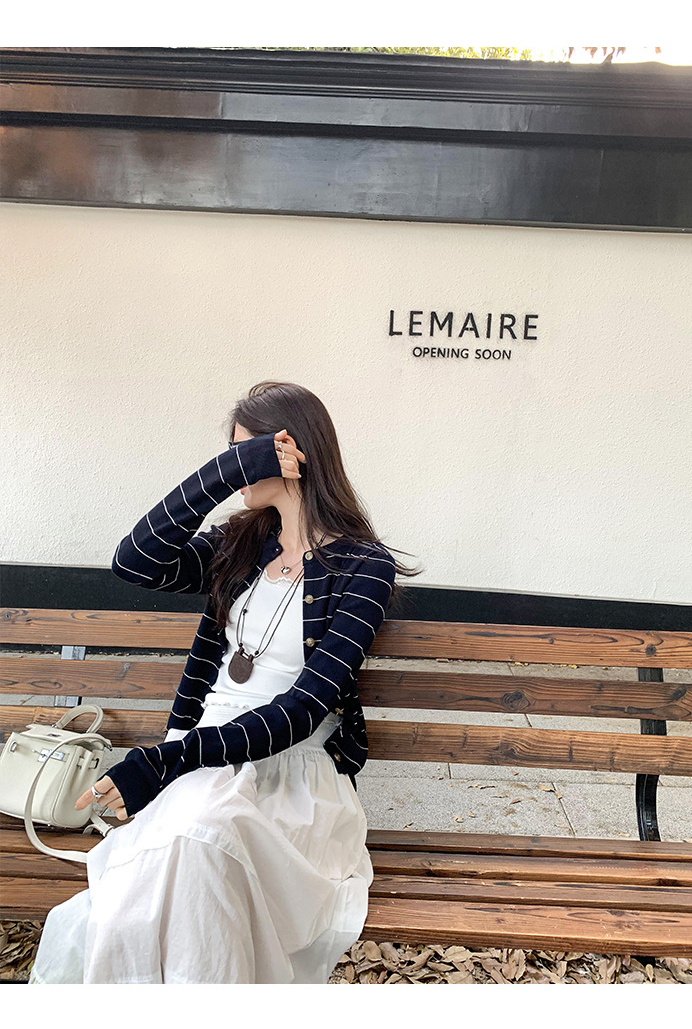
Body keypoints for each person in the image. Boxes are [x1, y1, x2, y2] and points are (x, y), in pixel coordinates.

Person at [28, 380, 418, 984]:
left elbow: (304, 708)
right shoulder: (237, 544)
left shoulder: (364, 566)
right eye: (232, 456)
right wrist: (225, 472)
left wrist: (165, 762)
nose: (236, 469)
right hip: (199, 763)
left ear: (294, 451)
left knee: (199, 842)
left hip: (290, 776)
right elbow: (134, 560)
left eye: (244, 453)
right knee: (165, 879)